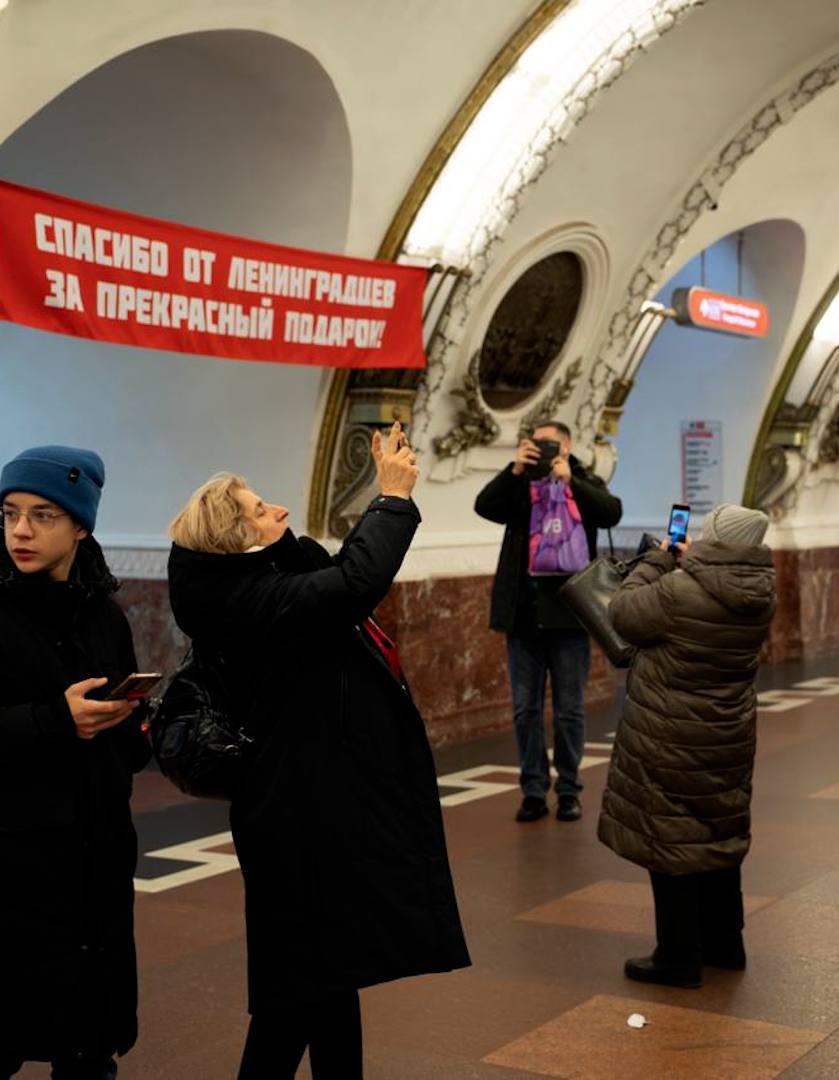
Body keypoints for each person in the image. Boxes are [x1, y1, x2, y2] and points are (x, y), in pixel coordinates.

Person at [166, 422, 469, 1079]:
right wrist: (389, 498)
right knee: (295, 996)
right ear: (236, 543)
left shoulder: (258, 591)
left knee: (328, 977)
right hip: (295, 821)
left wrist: (288, 544)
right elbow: (354, 583)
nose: (278, 510)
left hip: (312, 809)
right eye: (258, 512)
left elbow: (329, 582)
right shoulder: (252, 604)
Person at [0, 446, 151, 1080]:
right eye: (9, 514)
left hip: (92, 853)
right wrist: (54, 719)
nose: (21, 532)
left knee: (88, 1041)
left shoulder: (102, 617)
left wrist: (133, 723)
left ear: (81, 526)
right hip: (13, 861)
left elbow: (122, 745)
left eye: (43, 515)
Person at [597, 503, 776, 988]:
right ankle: (724, 944)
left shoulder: (679, 590)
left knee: (672, 840)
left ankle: (677, 956)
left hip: (672, 730)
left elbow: (623, 613)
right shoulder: (762, 591)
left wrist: (658, 559)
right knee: (718, 835)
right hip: (728, 731)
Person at [474, 420, 622, 824]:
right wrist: (515, 470)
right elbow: (485, 507)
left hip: (569, 616)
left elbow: (611, 513)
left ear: (567, 444)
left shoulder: (582, 478)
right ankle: (534, 790)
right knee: (525, 709)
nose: (540, 449)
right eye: (534, 443)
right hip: (523, 616)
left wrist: (571, 481)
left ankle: (570, 790)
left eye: (547, 443)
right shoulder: (522, 483)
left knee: (569, 710)